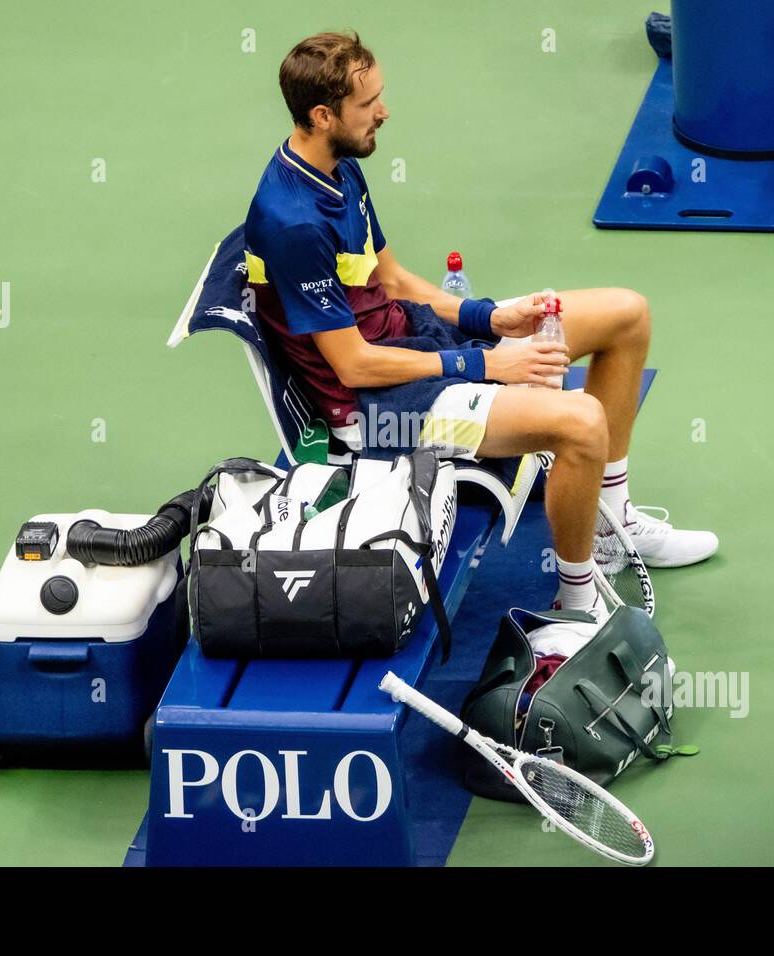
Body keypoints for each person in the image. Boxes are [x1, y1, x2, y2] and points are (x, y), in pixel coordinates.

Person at [243, 31, 717, 619]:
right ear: (322, 115)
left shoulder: (337, 165)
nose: (384, 113)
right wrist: (489, 361)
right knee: (582, 423)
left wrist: (488, 317)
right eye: (369, 105)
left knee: (626, 314)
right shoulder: (293, 222)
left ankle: (609, 526)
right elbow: (353, 365)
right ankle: (577, 601)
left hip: (414, 344)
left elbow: (391, 280)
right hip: (378, 411)